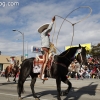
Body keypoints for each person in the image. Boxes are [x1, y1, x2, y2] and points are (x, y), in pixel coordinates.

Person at [38, 16, 55, 80]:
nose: (47, 30)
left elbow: (48, 43)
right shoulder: (43, 33)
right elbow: (49, 28)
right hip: (44, 49)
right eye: (46, 29)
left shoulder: (46, 36)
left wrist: (51, 44)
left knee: (50, 59)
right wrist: (52, 22)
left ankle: (46, 73)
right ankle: (41, 75)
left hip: (46, 49)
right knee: (45, 61)